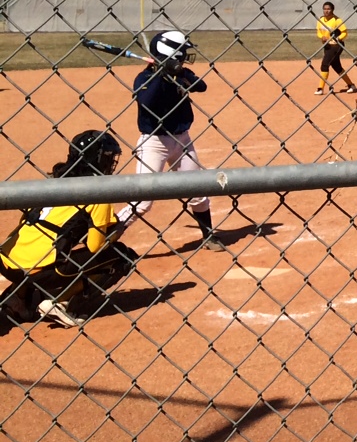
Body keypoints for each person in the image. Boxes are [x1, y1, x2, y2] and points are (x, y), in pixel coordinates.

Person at [1, 130, 139, 327]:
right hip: (37, 271)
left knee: (42, 242)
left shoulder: (55, 180)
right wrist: (115, 231)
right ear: (97, 159)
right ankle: (60, 303)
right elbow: (95, 247)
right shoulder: (98, 192)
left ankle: (18, 298)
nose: (111, 163)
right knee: (122, 256)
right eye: (108, 157)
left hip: (6, 260)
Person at [125, 30, 226, 250]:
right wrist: (160, 75)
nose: (185, 57)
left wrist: (177, 73)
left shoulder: (181, 73)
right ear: (169, 53)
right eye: (181, 53)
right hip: (154, 143)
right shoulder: (144, 78)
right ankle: (105, 239)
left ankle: (208, 236)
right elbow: (146, 101)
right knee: (142, 203)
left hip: (183, 141)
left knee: (197, 192)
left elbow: (201, 86)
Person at [316, 0, 357, 94]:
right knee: (337, 66)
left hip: (336, 45)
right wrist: (322, 37)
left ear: (332, 10)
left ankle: (320, 88)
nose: (326, 11)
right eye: (324, 9)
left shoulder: (337, 20)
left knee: (325, 64)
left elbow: (344, 33)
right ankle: (351, 85)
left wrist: (338, 39)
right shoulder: (320, 20)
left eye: (328, 9)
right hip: (327, 46)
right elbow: (319, 32)